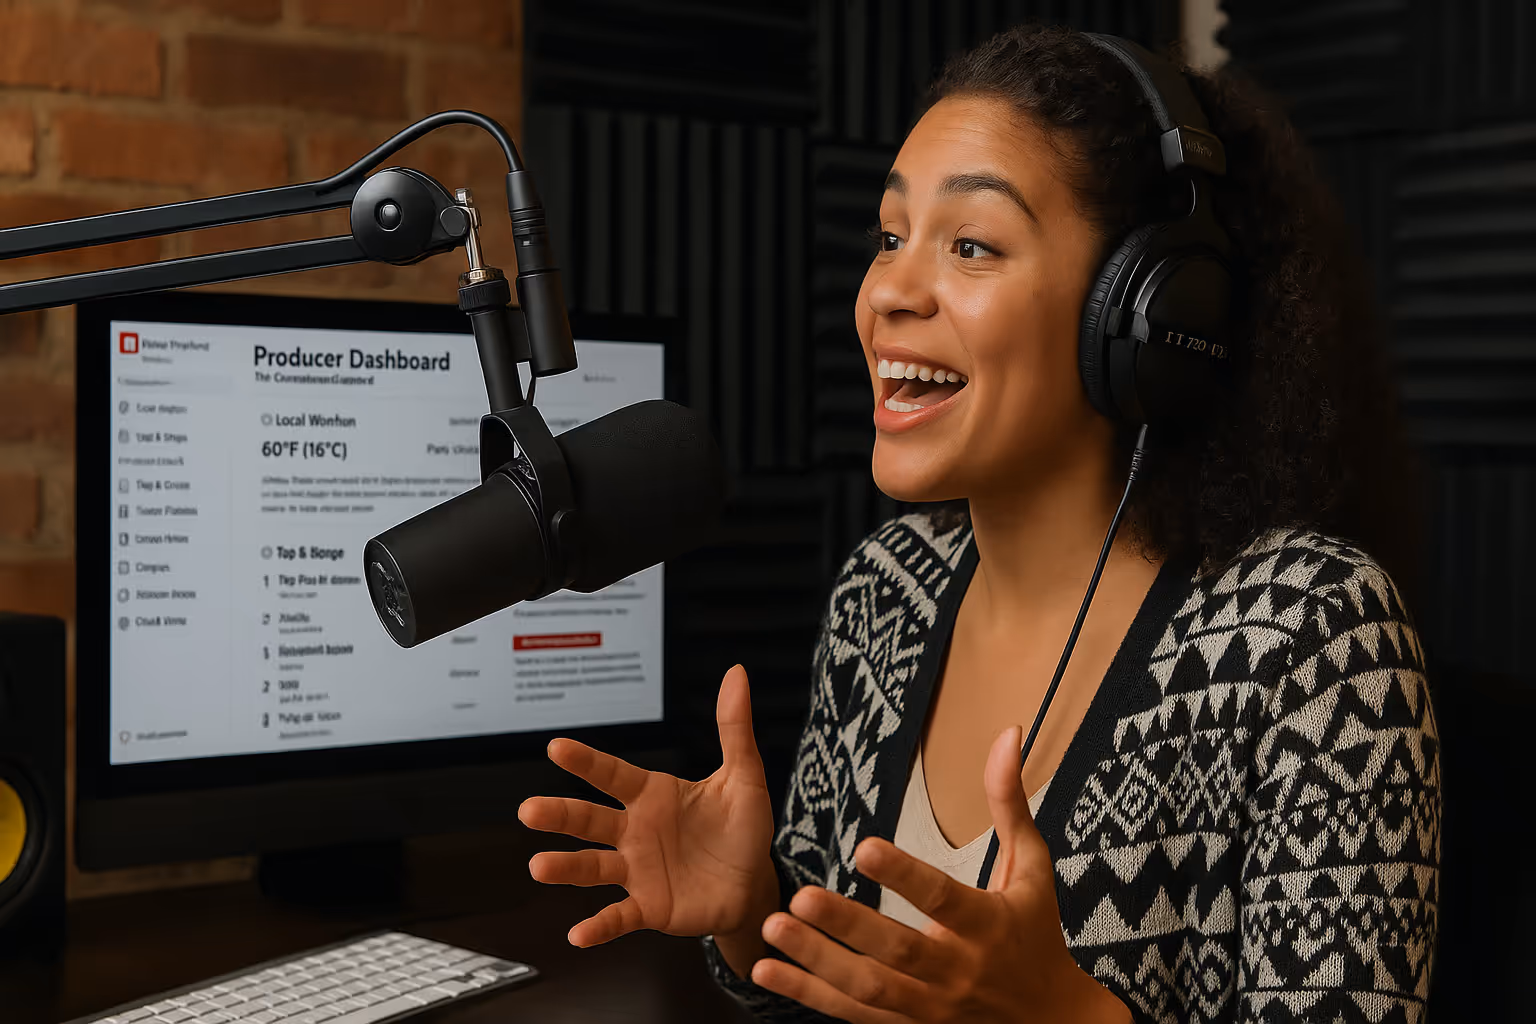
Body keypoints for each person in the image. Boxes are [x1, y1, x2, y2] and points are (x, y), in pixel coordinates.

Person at [516, 23, 1439, 1024]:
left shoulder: (1309, 635)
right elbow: (848, 993)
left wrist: (1069, 1016)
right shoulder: (889, 586)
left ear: (1148, 314)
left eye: (970, 245)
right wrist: (753, 921)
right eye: (889, 236)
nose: (890, 294)